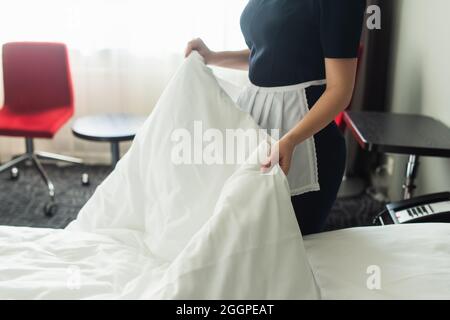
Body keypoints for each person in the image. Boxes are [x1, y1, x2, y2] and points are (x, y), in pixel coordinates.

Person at [185, 0, 366, 235]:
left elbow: (340, 90)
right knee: (236, 240)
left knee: (283, 250)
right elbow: (268, 52)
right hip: (255, 134)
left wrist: (291, 140)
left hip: (304, 145)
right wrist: (212, 56)